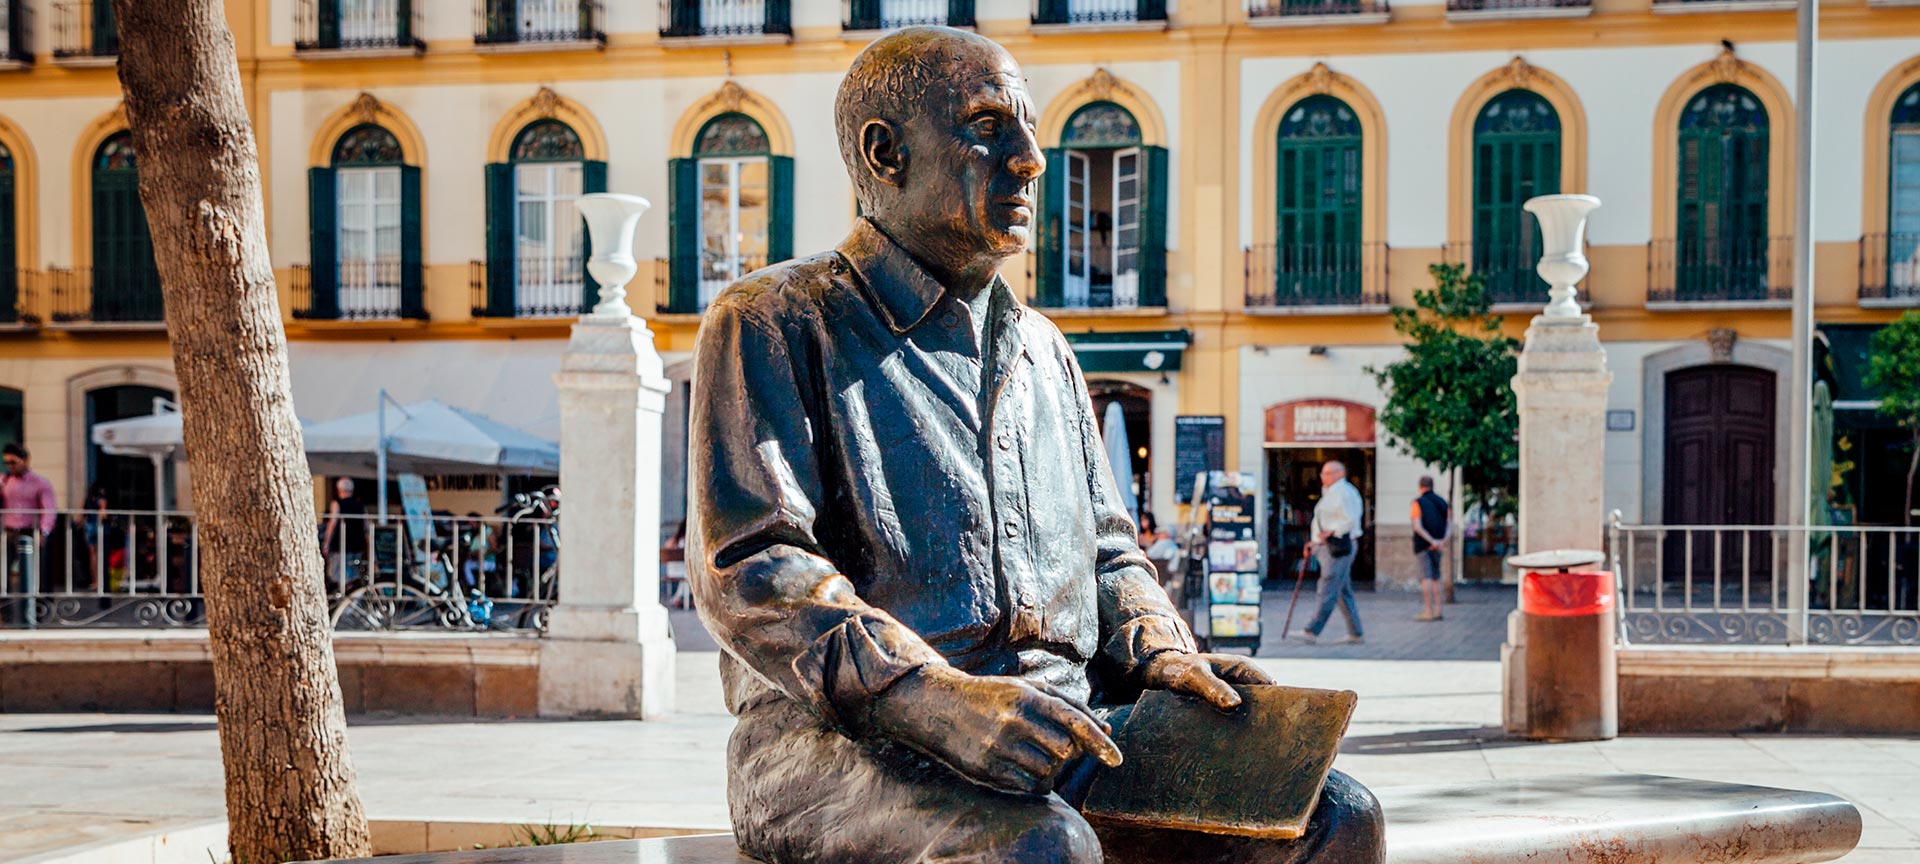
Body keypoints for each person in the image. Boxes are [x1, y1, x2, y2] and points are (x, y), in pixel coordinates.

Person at [689, 27, 1380, 864]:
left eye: (1030, 129)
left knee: (1337, 817)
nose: (1030, 159)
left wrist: (1163, 654)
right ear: (885, 154)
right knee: (1042, 851)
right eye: (989, 127)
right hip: (838, 749)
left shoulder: (1045, 349)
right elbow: (754, 566)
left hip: (1065, 726)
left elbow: (1111, 553)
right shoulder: (773, 320)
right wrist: (932, 698)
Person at [1298, 460, 1365, 645]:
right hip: (1327, 545)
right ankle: (1356, 632)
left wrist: (1331, 532)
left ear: (1339, 474)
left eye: (1327, 473)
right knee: (1342, 590)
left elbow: (1350, 519)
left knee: (1327, 587)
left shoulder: (1344, 492)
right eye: (1323, 473)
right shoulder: (1330, 493)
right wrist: (1315, 541)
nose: (1323, 477)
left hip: (1339, 545)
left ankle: (1312, 630)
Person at [2, 444, 57, 621]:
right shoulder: (4, 481)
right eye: (7, 463)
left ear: (25, 460)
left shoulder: (40, 482)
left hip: (31, 531)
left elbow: (49, 510)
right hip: (9, 530)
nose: (10, 466)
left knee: (39, 573)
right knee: (3, 572)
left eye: (13, 462)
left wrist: (44, 531)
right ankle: (4, 612)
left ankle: (39, 611)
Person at [1411, 475, 1451, 622]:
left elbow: (1417, 526)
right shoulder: (1443, 502)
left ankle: (1428, 611)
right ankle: (1439, 610)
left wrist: (1431, 540)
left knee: (1426, 577)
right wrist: (1441, 541)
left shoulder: (1417, 503)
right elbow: (1449, 525)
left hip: (1423, 545)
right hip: (1438, 545)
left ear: (1420, 487)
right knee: (1436, 577)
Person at [319, 477, 367, 587]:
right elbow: (366, 525)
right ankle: (351, 594)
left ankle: (343, 594)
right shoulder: (360, 505)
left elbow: (332, 523)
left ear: (338, 489)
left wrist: (326, 543)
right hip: (357, 544)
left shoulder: (337, 503)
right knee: (353, 574)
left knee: (337, 573)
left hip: (339, 544)